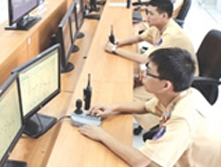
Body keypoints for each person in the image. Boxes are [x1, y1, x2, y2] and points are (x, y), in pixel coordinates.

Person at [79, 48, 221, 167]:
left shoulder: (183, 120)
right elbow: (145, 106)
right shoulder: (184, 93)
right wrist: (113, 107)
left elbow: (140, 161)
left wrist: (102, 135)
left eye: (148, 72)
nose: (142, 75)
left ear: (165, 85)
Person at [105, 0, 199, 129]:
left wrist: (115, 50)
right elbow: (139, 37)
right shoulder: (158, 26)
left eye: (150, 14)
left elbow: (145, 59)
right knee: (132, 85)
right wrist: (119, 42)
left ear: (164, 15)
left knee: (129, 94)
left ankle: (153, 125)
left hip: (179, 80)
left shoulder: (171, 34)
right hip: (168, 72)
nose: (147, 17)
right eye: (147, 12)